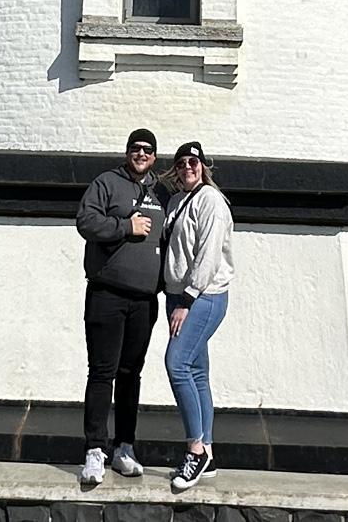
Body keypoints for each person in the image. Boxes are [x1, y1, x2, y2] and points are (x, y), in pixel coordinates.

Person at [74, 127, 166, 486]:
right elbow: (86, 221)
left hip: (144, 299)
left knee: (131, 375)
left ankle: (124, 447)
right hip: (107, 294)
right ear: (127, 151)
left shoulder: (161, 191)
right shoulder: (106, 183)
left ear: (155, 156)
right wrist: (124, 226)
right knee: (102, 373)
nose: (141, 153)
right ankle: (94, 450)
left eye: (147, 149)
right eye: (135, 148)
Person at [160, 139, 234, 491]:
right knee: (197, 372)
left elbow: (208, 256)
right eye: (182, 163)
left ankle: (194, 449)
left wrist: (187, 300)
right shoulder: (176, 201)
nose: (188, 167)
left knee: (176, 364)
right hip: (178, 296)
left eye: (194, 162)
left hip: (202, 297)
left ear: (203, 167)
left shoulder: (211, 201)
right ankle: (209, 449)